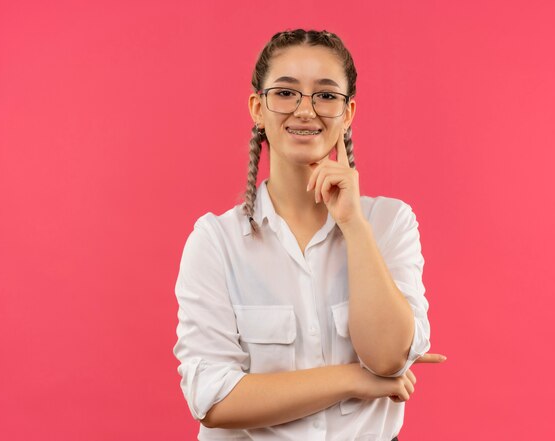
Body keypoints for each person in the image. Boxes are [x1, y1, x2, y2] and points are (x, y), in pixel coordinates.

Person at [173, 28, 447, 441]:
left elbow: (389, 357)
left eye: (325, 94)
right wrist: (354, 380)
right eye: (285, 93)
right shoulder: (215, 241)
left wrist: (354, 225)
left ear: (348, 112)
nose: (305, 110)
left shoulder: (390, 223)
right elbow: (213, 400)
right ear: (257, 108)